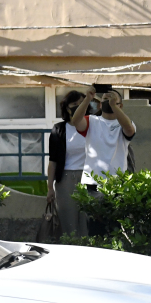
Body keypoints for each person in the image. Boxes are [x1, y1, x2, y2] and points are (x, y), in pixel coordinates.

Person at [70, 86, 137, 187]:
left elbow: (129, 129)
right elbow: (76, 121)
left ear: (121, 105)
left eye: (113, 98)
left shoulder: (124, 123)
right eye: (105, 99)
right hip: (92, 181)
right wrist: (87, 98)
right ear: (100, 105)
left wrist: (113, 106)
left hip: (117, 182)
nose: (109, 101)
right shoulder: (91, 121)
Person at [48, 90, 89, 237]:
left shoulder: (93, 126)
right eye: (74, 104)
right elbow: (53, 161)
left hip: (89, 178)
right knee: (68, 222)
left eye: (82, 103)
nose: (78, 106)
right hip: (66, 179)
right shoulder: (59, 129)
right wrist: (50, 188)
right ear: (66, 107)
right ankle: (70, 246)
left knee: (87, 220)